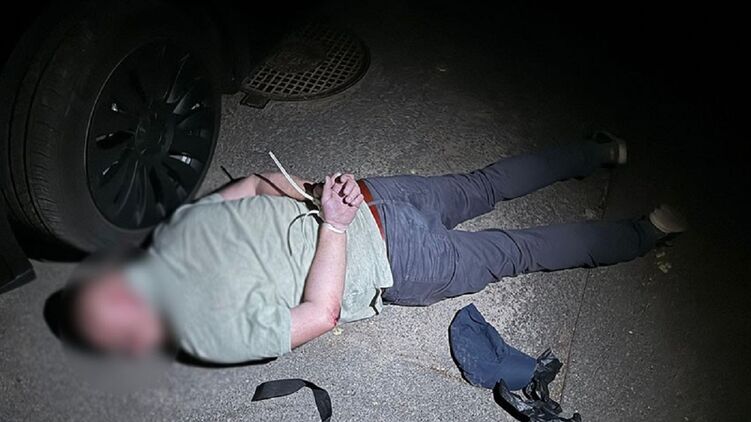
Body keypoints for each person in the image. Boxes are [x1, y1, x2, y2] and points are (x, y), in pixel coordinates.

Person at [64, 133, 686, 363]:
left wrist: (325, 208)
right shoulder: (189, 286)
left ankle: (642, 221)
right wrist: (324, 205)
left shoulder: (191, 294)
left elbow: (319, 311)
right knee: (488, 195)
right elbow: (257, 189)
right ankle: (606, 160)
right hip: (379, 221)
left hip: (380, 228)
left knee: (509, 242)